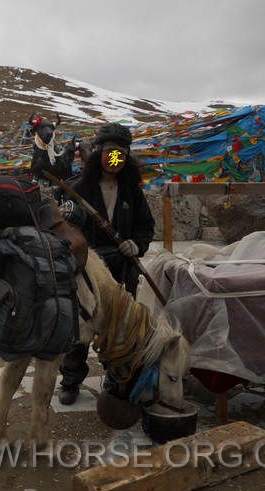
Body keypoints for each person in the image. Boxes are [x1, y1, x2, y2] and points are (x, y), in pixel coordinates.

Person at [58, 123, 155, 405]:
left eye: (121, 154)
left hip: (123, 268)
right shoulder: (77, 190)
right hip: (86, 270)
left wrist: (136, 244)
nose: (116, 159)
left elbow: (145, 226)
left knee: (120, 326)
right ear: (99, 153)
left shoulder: (132, 192)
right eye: (111, 153)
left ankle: (116, 376)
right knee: (81, 325)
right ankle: (71, 379)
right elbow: (63, 230)